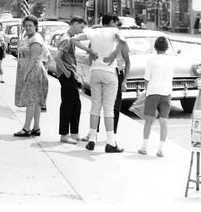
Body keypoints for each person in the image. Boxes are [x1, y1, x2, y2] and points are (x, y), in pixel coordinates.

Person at [71, 13, 127, 152]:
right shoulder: (115, 31)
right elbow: (123, 42)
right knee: (109, 109)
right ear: (112, 22)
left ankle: (92, 139)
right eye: (116, 22)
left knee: (95, 106)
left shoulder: (93, 32)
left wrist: (89, 50)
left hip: (95, 72)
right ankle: (110, 143)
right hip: (109, 72)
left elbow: (73, 39)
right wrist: (113, 54)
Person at [54, 16, 97, 144]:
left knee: (76, 104)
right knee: (68, 104)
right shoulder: (66, 39)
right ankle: (64, 134)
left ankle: (74, 133)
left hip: (71, 73)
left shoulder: (69, 38)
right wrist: (66, 71)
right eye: (81, 27)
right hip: (67, 74)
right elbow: (57, 58)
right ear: (74, 24)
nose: (82, 30)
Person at [13, 15, 48, 137]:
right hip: (28, 70)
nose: (27, 27)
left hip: (33, 71)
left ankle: (26, 128)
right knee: (36, 101)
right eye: (26, 25)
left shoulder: (36, 39)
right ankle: (36, 128)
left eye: (30, 25)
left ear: (35, 26)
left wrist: (26, 74)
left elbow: (34, 59)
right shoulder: (28, 37)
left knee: (30, 100)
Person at [138, 36, 174, 157]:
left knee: (148, 121)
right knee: (164, 122)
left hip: (153, 92)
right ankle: (160, 150)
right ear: (167, 48)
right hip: (166, 93)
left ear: (155, 47)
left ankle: (144, 147)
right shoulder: (171, 61)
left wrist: (146, 92)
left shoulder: (151, 60)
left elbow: (147, 80)